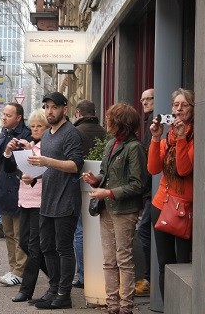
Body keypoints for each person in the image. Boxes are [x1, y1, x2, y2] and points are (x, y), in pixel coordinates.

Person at [83, 103, 147, 314]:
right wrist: (95, 180)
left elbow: (138, 184)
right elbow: (105, 174)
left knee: (124, 259)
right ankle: (112, 306)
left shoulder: (134, 147)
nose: (106, 121)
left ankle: (126, 307)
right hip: (107, 209)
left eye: (110, 118)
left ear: (121, 123)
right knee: (109, 260)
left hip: (124, 211)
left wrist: (108, 192)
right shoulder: (111, 144)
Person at [26, 92, 83, 310]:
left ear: (64, 109)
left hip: (66, 200)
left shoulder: (71, 133)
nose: (50, 111)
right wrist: (33, 175)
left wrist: (47, 161)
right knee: (47, 247)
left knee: (64, 249)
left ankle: (63, 294)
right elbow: (48, 167)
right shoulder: (48, 135)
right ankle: (53, 289)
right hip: (48, 200)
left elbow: (75, 165)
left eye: (54, 107)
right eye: (47, 107)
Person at [148, 88, 195, 299]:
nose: (179, 109)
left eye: (184, 105)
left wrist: (183, 137)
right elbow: (153, 169)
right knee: (164, 264)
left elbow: (184, 170)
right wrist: (156, 139)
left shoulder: (194, 138)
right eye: (176, 105)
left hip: (185, 210)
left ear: (193, 109)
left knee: (184, 265)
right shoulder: (167, 138)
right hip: (161, 206)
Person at [6, 109, 51, 303]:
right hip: (25, 200)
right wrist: (9, 152)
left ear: (47, 128)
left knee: (33, 246)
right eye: (32, 126)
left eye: (39, 126)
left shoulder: (46, 149)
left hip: (40, 201)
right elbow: (10, 169)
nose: (35, 129)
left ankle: (26, 290)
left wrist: (32, 172)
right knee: (24, 243)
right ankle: (57, 277)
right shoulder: (31, 146)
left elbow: (47, 171)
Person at [0, 103, 32, 286]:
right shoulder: (4, 134)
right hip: (4, 190)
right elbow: (1, 158)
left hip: (18, 190)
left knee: (19, 234)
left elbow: (22, 163)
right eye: (3, 114)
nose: (4, 118)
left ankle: (20, 270)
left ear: (18, 117)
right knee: (8, 233)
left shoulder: (25, 135)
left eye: (8, 115)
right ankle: (13, 268)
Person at [72, 99, 107, 289]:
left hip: (80, 186)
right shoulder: (104, 132)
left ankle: (83, 275)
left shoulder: (75, 132)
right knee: (97, 231)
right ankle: (97, 272)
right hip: (101, 187)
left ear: (78, 113)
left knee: (79, 230)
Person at [135, 88, 154, 296]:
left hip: (153, 190)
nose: (145, 102)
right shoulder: (149, 123)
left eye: (150, 98)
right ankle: (150, 277)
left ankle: (149, 278)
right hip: (149, 190)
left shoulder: (155, 123)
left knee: (144, 231)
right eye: (143, 99)